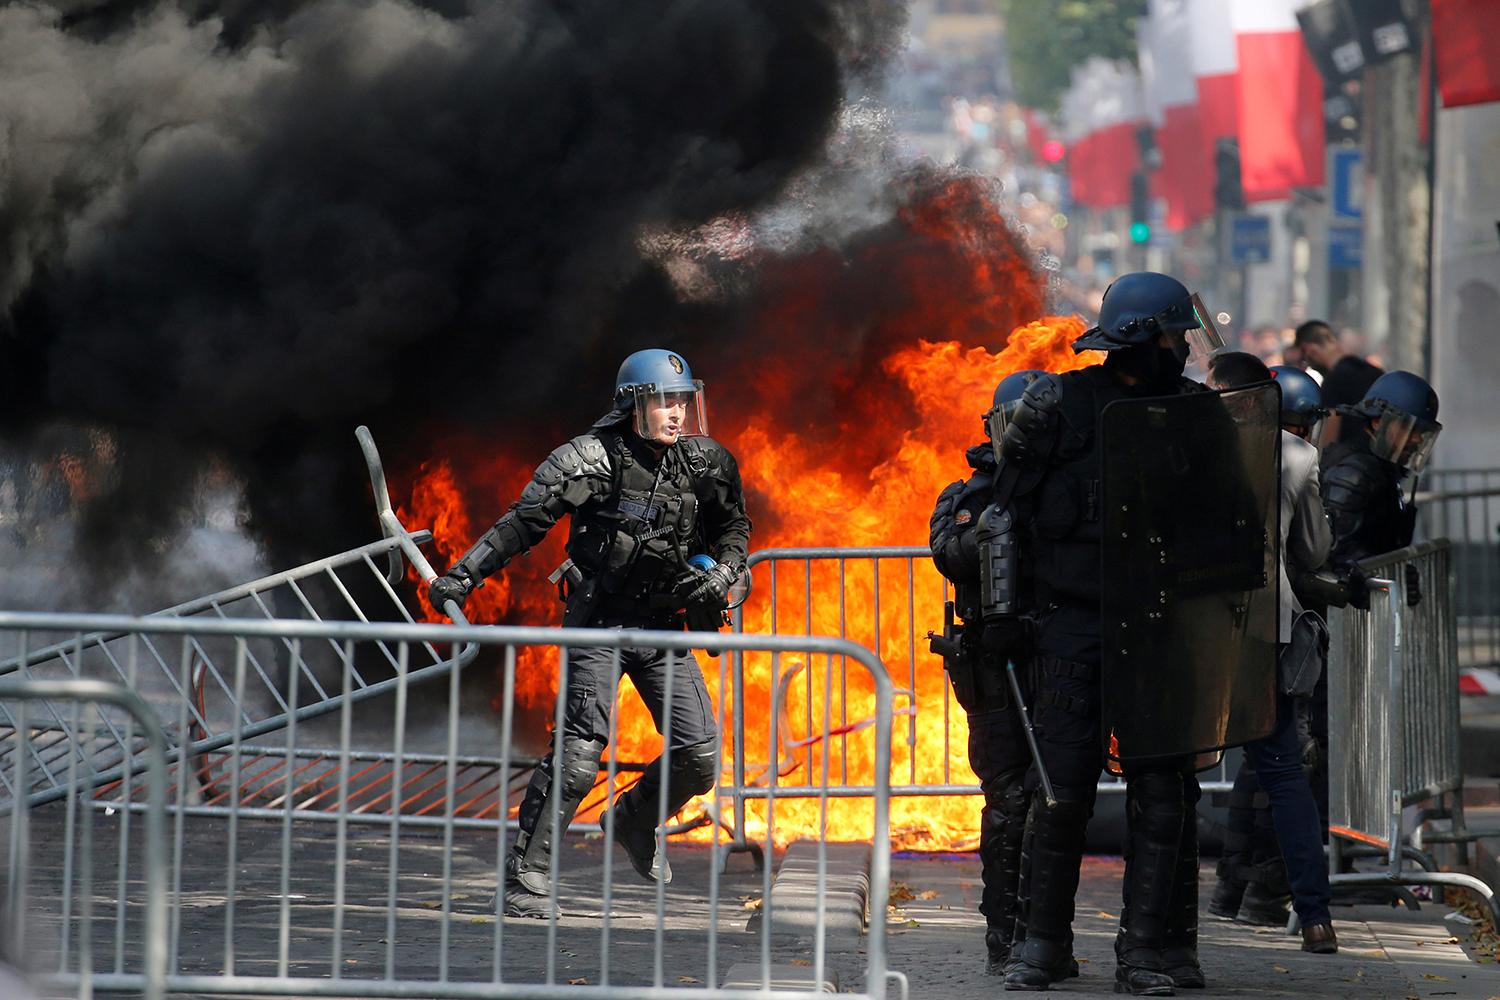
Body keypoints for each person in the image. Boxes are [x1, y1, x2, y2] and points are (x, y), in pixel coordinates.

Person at [429, 348, 752, 918]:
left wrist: (726, 570)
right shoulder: (588, 460)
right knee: (580, 752)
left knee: (699, 757)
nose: (676, 413)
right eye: (662, 401)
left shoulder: (705, 463)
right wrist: (462, 575)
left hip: (662, 629)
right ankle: (525, 880)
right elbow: (522, 524)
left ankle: (632, 819)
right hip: (599, 623)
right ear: (633, 404)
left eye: (682, 401)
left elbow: (733, 527)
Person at [999, 272, 1238, 996]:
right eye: (1176, 335)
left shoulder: (1200, 415)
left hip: (1162, 631)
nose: (1185, 348)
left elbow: (1234, 521)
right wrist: (1013, 618)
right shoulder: (1056, 407)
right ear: (1145, 337)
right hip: (1074, 627)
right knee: (1061, 793)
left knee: (1163, 797)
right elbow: (1006, 514)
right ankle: (1043, 946)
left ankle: (1145, 954)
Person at [1202, 354, 1338, 954]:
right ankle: (1315, 918)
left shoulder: (1180, 442)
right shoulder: (1298, 455)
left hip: (1191, 631)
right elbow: (1312, 549)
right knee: (1284, 777)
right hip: (1264, 627)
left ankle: (1163, 927)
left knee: (1169, 777)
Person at [929, 370, 1050, 976]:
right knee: (1007, 801)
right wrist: (996, 519)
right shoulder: (966, 495)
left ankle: (1043, 934)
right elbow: (948, 556)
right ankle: (1003, 935)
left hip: (1054, 659)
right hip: (994, 668)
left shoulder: (1060, 486)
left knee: (1053, 801)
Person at [1322, 371, 1441, 574]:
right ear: (1377, 421)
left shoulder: (1383, 469)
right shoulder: (1354, 472)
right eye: (1407, 427)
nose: (1417, 439)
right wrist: (1383, 574)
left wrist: (1400, 574)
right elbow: (1335, 548)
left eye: (1421, 431)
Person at [1292, 321, 1382, 448]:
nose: (1308, 365)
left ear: (1310, 350)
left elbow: (1328, 440)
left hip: (1350, 461)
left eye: (1305, 359)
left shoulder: (1333, 381)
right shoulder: (1375, 372)